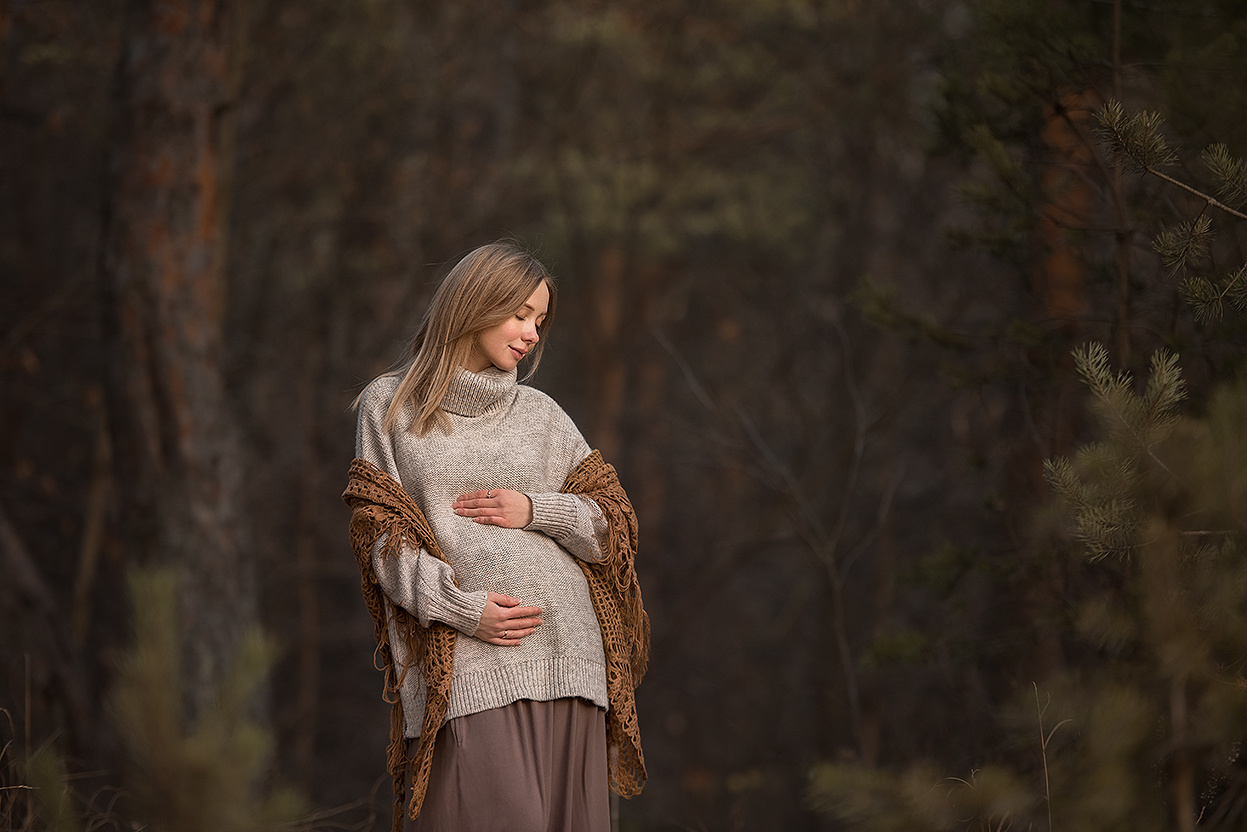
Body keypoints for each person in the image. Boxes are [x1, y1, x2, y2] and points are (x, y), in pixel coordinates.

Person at [342, 242, 648, 832]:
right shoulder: (391, 406)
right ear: (475, 304)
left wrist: (537, 509)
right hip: (470, 664)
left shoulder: (542, 414)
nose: (532, 333)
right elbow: (381, 538)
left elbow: (613, 527)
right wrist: (462, 609)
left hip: (571, 660)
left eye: (539, 320)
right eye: (520, 314)